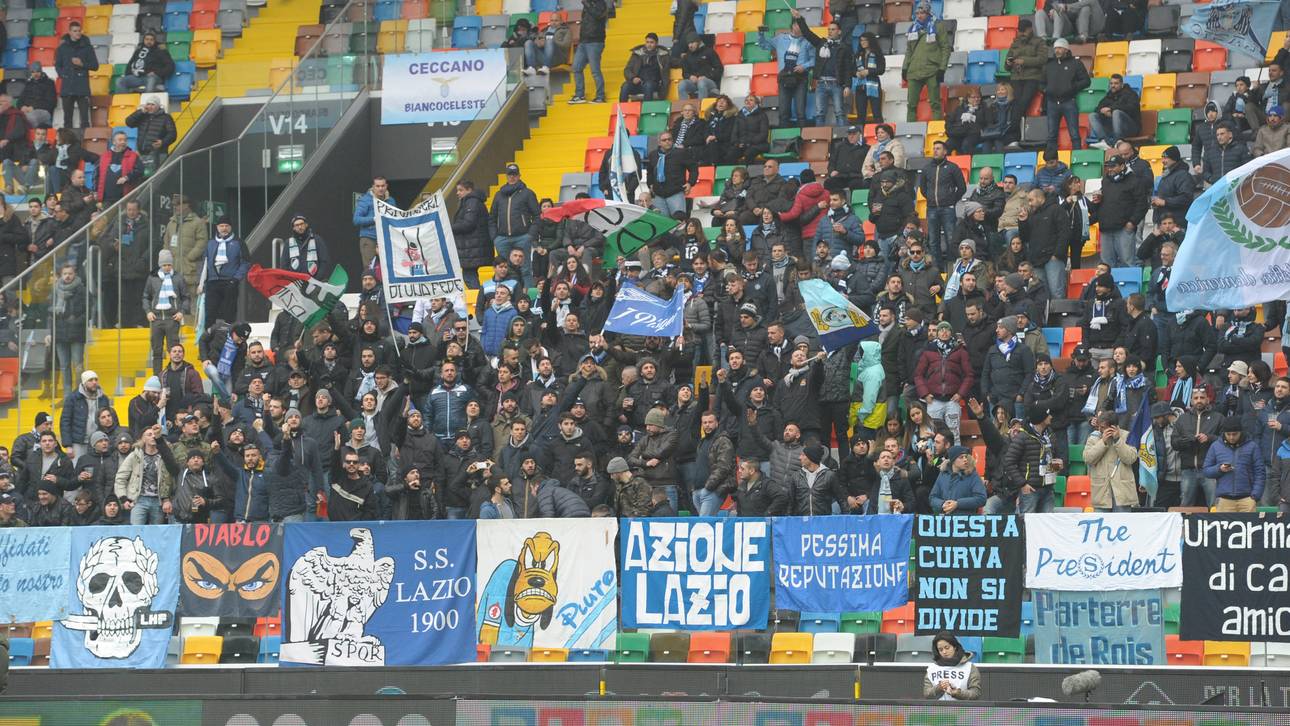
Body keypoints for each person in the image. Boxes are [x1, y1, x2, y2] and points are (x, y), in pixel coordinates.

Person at [795, 12, 854, 128]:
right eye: (829, 29)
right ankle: (819, 138)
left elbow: (848, 69)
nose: (830, 31)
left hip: (836, 83)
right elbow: (807, 33)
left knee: (840, 113)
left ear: (839, 32)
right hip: (821, 83)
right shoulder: (821, 43)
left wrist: (847, 85)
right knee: (819, 113)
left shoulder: (844, 47)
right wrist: (799, 19)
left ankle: (842, 137)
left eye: (833, 29)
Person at [1090, 156, 1148, 268]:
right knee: (1106, 265)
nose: (1109, 169)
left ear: (1122, 166)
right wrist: (1098, 201)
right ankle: (1108, 286)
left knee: (1127, 263)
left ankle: (1129, 286)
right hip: (1106, 229)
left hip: (1124, 229)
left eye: (1113, 166)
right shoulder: (1106, 180)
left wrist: (1132, 222)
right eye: (1108, 167)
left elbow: (1142, 204)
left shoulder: (1134, 180)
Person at [490, 163, 540, 288]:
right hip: (502, 238)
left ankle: (529, 301)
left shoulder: (528, 193)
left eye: (514, 174)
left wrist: (530, 235)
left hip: (522, 237)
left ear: (519, 175)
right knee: (504, 270)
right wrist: (495, 237)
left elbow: (538, 216)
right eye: (510, 175)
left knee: (525, 270)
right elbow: (491, 218)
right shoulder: (498, 195)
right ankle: (507, 296)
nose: (512, 177)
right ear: (506, 176)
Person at [757, 19, 815, 127]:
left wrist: (804, 66)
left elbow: (814, 60)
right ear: (793, 25)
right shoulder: (780, 39)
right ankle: (784, 141)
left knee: (800, 112)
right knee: (783, 112)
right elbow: (764, 45)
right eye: (799, 25)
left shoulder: (808, 41)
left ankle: (802, 139)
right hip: (784, 78)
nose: (802, 27)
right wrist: (760, 33)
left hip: (801, 79)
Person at [918, 141, 966, 268]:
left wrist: (951, 201)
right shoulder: (926, 168)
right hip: (932, 208)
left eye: (938, 148)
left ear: (945, 151)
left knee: (951, 240)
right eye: (934, 148)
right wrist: (930, 199)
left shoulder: (953, 167)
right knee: (933, 240)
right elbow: (923, 189)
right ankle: (937, 269)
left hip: (948, 209)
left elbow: (962, 188)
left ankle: (951, 267)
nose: (935, 151)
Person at [1202, 416, 1265, 512]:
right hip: (1224, 499)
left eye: (1235, 434)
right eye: (1228, 434)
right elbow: (1206, 470)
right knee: (1224, 528)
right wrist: (1219, 469)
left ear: (1241, 432)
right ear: (1224, 433)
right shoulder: (1215, 446)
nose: (1231, 437)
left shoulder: (1252, 446)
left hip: (1247, 499)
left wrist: (1255, 495)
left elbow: (1260, 472)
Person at [902, 3, 951, 121]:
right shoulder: (913, 28)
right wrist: (904, 68)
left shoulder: (938, 26)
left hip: (932, 70)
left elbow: (946, 48)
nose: (919, 16)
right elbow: (909, 50)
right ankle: (911, 131)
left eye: (922, 13)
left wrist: (942, 68)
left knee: (935, 103)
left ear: (928, 13)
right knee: (911, 105)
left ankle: (937, 130)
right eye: (917, 13)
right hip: (913, 70)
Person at [144, 250, 190, 374]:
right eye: (164, 265)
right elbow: (146, 296)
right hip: (156, 319)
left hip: (172, 319)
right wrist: (148, 311)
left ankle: (173, 374)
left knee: (174, 350)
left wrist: (181, 312)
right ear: (160, 265)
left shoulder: (178, 278)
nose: (167, 267)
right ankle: (157, 377)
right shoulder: (152, 278)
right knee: (157, 351)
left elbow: (186, 297)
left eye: (169, 265)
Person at [1085, 411, 1139, 512]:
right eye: (1099, 427)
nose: (1100, 430)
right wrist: (1102, 442)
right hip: (1101, 492)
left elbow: (1131, 458)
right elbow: (1088, 458)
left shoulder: (1127, 436)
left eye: (1103, 427)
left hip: (1122, 492)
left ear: (1113, 427)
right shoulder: (1094, 437)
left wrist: (1118, 440)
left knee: (1123, 524)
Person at [202, 216, 249, 327]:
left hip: (230, 282)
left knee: (229, 314)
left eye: (226, 226)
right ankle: (209, 340)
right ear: (217, 227)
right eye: (221, 226)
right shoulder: (211, 243)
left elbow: (246, 262)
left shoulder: (239, 242)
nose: (224, 228)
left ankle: (228, 338)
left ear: (231, 227)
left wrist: (235, 279)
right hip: (212, 282)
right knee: (210, 314)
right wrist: (203, 281)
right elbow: (204, 263)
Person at [1043, 39, 1090, 150]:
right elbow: (1041, 82)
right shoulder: (1049, 65)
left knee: (1074, 133)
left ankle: (1077, 156)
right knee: (1051, 135)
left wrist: (1072, 88)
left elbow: (1086, 81)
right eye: (1055, 48)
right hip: (1052, 103)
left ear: (1066, 49)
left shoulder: (1076, 63)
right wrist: (1046, 90)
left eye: (1060, 48)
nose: (1057, 51)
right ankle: (1051, 159)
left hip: (1069, 101)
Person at [51, 263, 89, 394]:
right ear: (61, 275)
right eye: (65, 274)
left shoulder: (82, 290)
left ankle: (79, 392)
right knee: (64, 366)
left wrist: (76, 322)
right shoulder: (55, 290)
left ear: (75, 274)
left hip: (76, 333)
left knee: (78, 365)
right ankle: (68, 396)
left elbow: (89, 312)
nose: (67, 276)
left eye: (70, 273)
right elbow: (50, 314)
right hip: (60, 333)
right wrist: (50, 333)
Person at [54, 21, 98, 128]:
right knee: (67, 120)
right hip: (67, 86)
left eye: (79, 31)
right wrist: (62, 75)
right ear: (69, 32)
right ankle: (68, 143)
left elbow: (95, 66)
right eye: (75, 31)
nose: (78, 33)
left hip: (82, 86)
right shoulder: (62, 48)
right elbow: (57, 65)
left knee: (85, 120)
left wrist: (82, 64)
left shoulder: (87, 47)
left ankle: (85, 143)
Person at [646, 131, 698, 219]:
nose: (667, 141)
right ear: (659, 142)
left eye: (669, 139)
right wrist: (650, 184)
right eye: (664, 140)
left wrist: (690, 183)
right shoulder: (653, 155)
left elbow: (693, 168)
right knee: (661, 224)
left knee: (679, 222)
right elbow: (650, 172)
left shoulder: (681, 153)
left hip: (676, 193)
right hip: (659, 195)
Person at [567, 0, 607, 104]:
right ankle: (579, 95)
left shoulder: (601, 3)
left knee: (595, 71)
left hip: (595, 41)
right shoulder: (588, 4)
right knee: (576, 68)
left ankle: (600, 96)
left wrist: (587, 4)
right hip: (583, 41)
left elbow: (598, 15)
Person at [351, 176, 395, 271]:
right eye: (378, 186)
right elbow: (356, 220)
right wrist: (374, 219)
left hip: (386, 238)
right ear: (373, 187)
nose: (380, 188)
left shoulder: (391, 201)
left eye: (383, 186)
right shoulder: (365, 200)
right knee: (370, 269)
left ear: (386, 186)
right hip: (369, 238)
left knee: (389, 268)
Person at [929, 445, 987, 515]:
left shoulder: (973, 475)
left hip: (966, 520)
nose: (965, 459)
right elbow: (932, 498)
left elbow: (981, 498)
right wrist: (942, 504)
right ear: (953, 460)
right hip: (945, 519)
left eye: (966, 457)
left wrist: (958, 504)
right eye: (961, 457)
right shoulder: (943, 474)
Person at [924, 632, 982, 701]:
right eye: (940, 650)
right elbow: (927, 694)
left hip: (964, 710)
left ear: (955, 647)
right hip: (938, 710)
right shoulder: (932, 669)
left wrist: (957, 693)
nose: (944, 652)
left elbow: (976, 693)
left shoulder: (969, 667)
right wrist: (939, 687)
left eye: (947, 648)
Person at [1087, 74, 1140, 149]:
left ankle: (1118, 141)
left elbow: (1132, 108)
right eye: (1111, 83)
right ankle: (1104, 141)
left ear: (1122, 84)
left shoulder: (1131, 94)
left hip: (1130, 128)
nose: (1113, 86)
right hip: (1112, 127)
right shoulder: (1109, 96)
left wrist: (1111, 109)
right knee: (1092, 115)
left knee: (1116, 112)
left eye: (1116, 83)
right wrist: (1103, 112)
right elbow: (1097, 109)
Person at [620, 33, 670, 102]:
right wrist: (633, 78)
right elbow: (627, 70)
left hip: (655, 84)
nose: (649, 45)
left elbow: (674, 62)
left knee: (648, 85)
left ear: (656, 43)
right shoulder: (637, 54)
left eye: (652, 42)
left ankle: (647, 110)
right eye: (647, 42)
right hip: (638, 83)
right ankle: (622, 111)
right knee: (625, 86)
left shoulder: (663, 55)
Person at [676, 34, 723, 100]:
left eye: (692, 42)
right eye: (689, 43)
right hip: (694, 83)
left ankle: (701, 107)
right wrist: (690, 77)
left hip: (710, 82)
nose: (690, 45)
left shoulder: (709, 52)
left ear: (698, 42)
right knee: (682, 84)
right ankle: (685, 107)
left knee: (702, 82)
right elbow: (685, 73)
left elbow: (719, 69)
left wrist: (706, 76)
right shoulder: (687, 56)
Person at [284, 214, 330, 280]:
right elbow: (284, 266)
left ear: (306, 225)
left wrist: (316, 280)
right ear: (293, 228)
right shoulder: (288, 243)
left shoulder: (317, 239)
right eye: (296, 225)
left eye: (302, 224)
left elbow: (324, 262)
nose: (300, 227)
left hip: (315, 283)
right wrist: (291, 282)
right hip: (295, 285)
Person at [853, 32, 885, 124]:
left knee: (877, 113)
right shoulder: (858, 55)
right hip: (860, 87)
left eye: (865, 40)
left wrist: (869, 71)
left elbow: (881, 69)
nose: (863, 42)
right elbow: (852, 70)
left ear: (870, 41)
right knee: (860, 115)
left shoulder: (878, 54)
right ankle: (860, 137)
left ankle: (880, 133)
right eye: (861, 40)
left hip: (874, 86)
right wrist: (856, 73)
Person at [1035, 0, 1103, 42]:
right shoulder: (1049, 1)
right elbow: (1046, 11)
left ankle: (1055, 39)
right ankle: (1042, 39)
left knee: (1058, 11)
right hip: (1052, 27)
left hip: (1066, 28)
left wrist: (1061, 9)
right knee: (1039, 12)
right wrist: (1050, 12)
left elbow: (1074, 16)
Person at [17, 61, 57, 129]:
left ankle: (30, 136)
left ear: (41, 71)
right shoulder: (29, 83)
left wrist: (33, 107)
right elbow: (20, 100)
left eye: (37, 71)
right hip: (27, 111)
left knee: (31, 117)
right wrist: (22, 107)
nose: (35, 74)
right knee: (15, 117)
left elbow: (51, 103)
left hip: (44, 111)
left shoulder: (49, 83)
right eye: (33, 72)